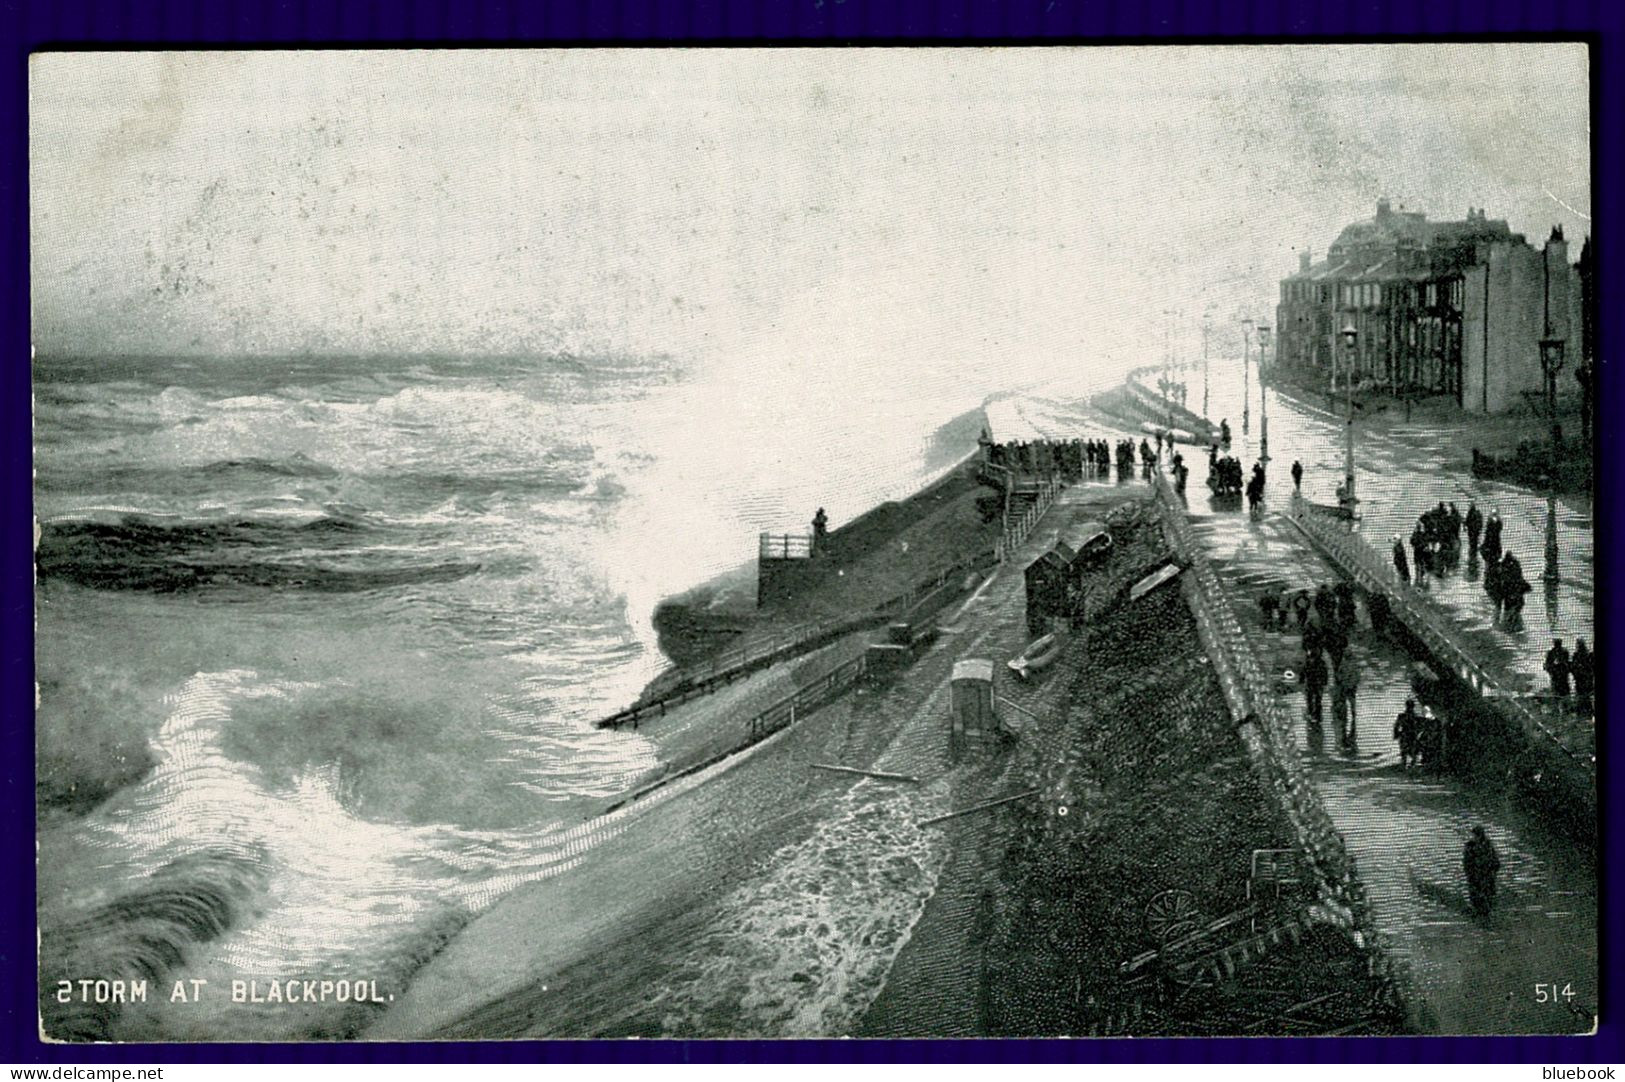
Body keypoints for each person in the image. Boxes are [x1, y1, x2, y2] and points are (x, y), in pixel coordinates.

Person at [1463, 826, 1501, 919]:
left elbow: (1495, 863)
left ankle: (1484, 914)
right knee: (1481, 897)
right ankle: (1483, 914)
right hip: (1479, 877)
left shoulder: (1483, 846)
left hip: (1484, 877)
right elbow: (1467, 864)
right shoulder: (1479, 846)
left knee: (1484, 896)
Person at [1303, 646, 1328, 724]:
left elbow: (1304, 671)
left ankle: (1311, 713)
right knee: (1317, 699)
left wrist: (1302, 679)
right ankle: (1317, 714)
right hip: (1318, 683)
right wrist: (1324, 682)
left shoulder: (1309, 662)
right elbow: (1324, 673)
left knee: (1310, 698)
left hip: (1311, 683)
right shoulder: (1321, 662)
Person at [1394, 699, 1421, 770]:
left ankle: (1404, 764)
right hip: (1412, 734)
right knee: (1412, 751)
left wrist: (1396, 734)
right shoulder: (1416, 717)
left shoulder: (1402, 716)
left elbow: (1397, 726)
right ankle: (1412, 764)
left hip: (1405, 734)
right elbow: (1419, 727)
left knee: (1404, 750)